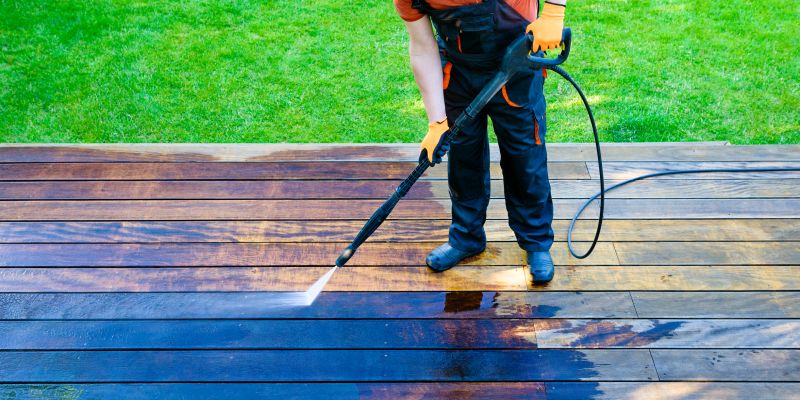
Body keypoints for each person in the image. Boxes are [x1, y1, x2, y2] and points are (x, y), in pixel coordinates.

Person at [394, 0, 567, 282]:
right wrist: (437, 122)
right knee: (463, 157)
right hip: (459, 72)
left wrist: (553, 11)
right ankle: (465, 237)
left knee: (525, 159)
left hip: (517, 66)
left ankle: (536, 242)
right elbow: (423, 47)